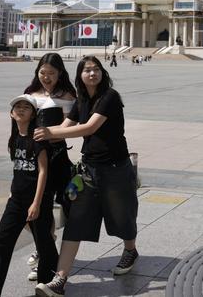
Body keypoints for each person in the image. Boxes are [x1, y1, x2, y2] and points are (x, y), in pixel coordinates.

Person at [33, 56, 139, 296]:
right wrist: (36, 133)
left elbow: (89, 128)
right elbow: (65, 127)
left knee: (122, 216)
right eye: (87, 70)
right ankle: (59, 280)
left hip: (115, 168)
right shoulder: (81, 100)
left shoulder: (110, 97)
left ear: (102, 73)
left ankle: (130, 250)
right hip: (89, 170)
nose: (92, 73)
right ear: (80, 75)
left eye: (96, 69)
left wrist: (49, 133)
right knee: (76, 221)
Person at [0, 95, 57, 296]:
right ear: (11, 113)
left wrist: (36, 203)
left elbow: (43, 172)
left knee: (44, 244)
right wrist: (12, 193)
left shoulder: (37, 138)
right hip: (17, 201)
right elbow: (18, 169)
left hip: (37, 200)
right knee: (0, 241)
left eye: (26, 107)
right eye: (17, 106)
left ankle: (48, 285)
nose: (20, 109)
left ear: (33, 114)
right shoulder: (14, 139)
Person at [23, 53, 77, 279]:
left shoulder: (67, 95)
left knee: (61, 208)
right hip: (33, 158)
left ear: (60, 74)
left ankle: (45, 253)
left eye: (51, 73)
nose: (46, 77)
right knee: (26, 208)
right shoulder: (29, 94)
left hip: (57, 158)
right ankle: (46, 242)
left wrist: (49, 134)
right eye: (42, 73)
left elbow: (70, 126)